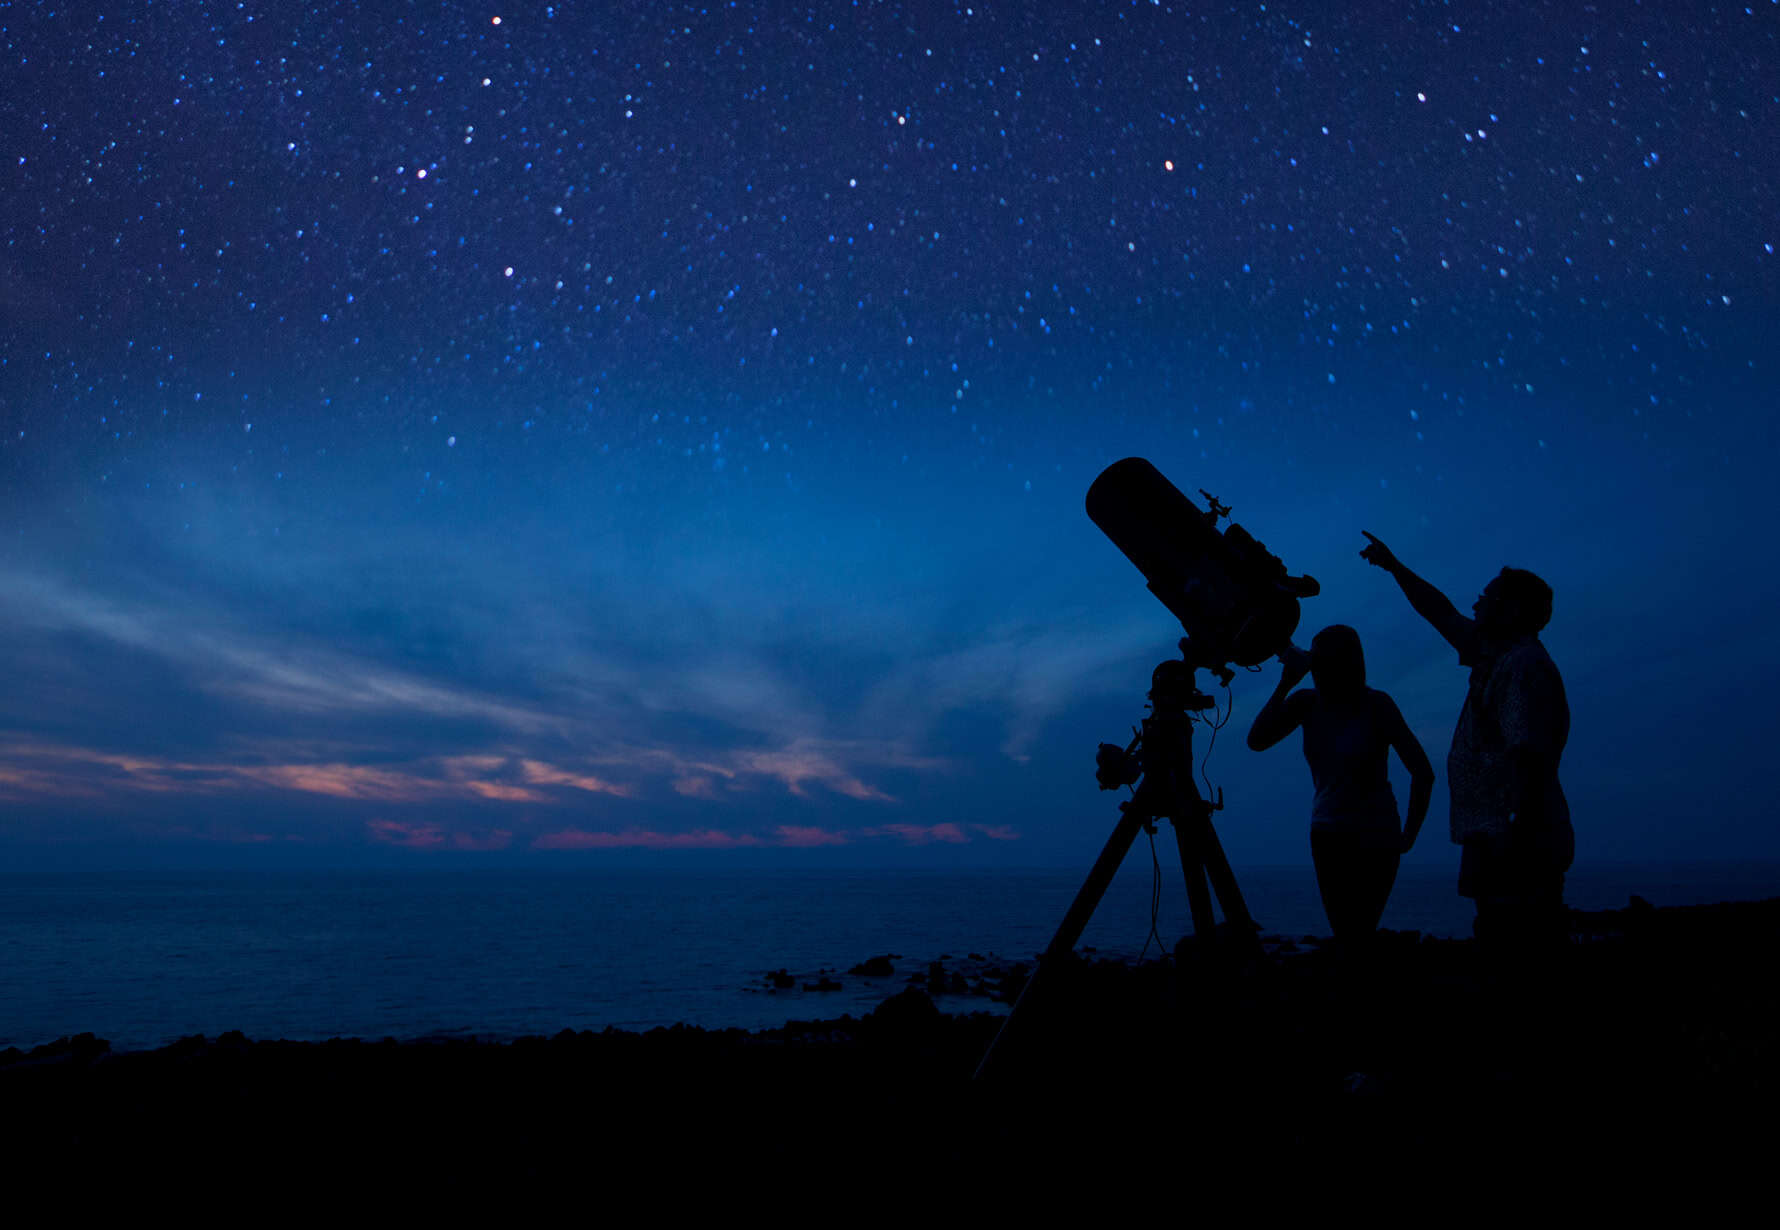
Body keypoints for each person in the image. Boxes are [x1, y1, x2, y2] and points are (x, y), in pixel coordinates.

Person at [1359, 533, 1572, 950]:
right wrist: (1394, 567)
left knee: (1520, 941)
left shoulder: (1522, 666)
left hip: (1514, 838)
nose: (1475, 606)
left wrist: (1513, 832)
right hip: (1495, 832)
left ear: (1511, 610)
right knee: (1498, 932)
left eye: (1485, 598)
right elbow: (1440, 612)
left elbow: (1527, 756)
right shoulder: (1495, 655)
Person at [1248, 624, 1434, 946]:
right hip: (1329, 832)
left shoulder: (1377, 705)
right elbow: (1257, 740)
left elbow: (1422, 772)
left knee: (1358, 931)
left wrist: (1408, 835)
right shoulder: (1306, 703)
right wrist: (1286, 683)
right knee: (1348, 932)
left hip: (1375, 832)